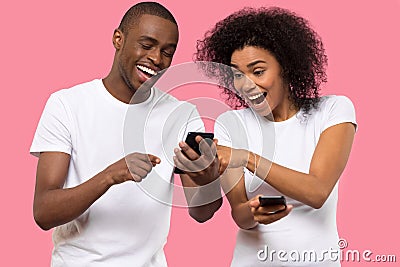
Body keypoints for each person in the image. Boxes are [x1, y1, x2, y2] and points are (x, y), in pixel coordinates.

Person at [30, 2, 220, 266]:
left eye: (167, 51)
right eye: (146, 45)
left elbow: (201, 212)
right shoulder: (66, 105)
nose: (157, 58)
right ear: (118, 39)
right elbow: (44, 212)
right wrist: (110, 176)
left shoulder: (182, 115)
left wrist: (210, 182)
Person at [195, 7, 357, 266]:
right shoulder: (231, 124)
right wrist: (252, 213)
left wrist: (246, 158)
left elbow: (317, 192)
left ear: (287, 68)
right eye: (237, 75)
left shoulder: (333, 110)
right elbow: (240, 216)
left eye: (258, 71)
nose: (246, 85)